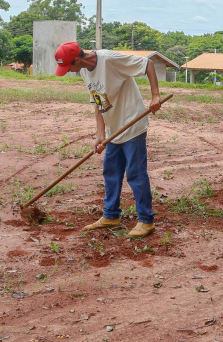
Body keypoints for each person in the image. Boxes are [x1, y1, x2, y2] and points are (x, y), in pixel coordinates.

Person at [54, 41, 161, 237]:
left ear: (77, 59)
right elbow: (98, 102)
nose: (67, 71)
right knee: (111, 171)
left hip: (132, 124)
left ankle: (146, 221)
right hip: (114, 130)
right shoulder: (84, 71)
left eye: (68, 66)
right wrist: (101, 134)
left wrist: (155, 96)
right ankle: (111, 215)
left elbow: (148, 64)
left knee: (135, 173)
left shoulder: (109, 59)